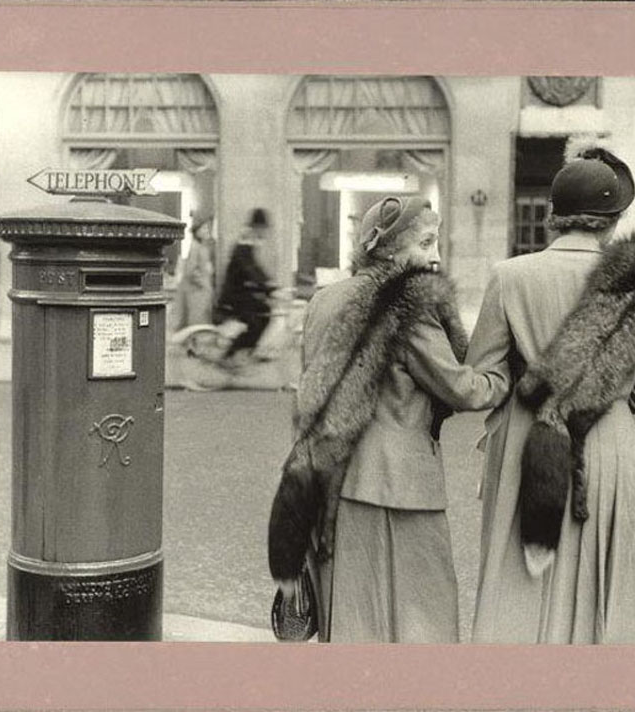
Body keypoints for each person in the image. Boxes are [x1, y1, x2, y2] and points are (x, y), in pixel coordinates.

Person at [268, 196, 510, 643]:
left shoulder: (323, 300)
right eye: (425, 242)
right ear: (391, 249)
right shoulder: (408, 303)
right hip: (401, 485)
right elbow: (463, 387)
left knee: (355, 614)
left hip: (333, 484)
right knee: (423, 615)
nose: (436, 255)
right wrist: (502, 373)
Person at [465, 147, 635, 644]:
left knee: (518, 585)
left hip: (526, 440)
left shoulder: (509, 276)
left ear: (553, 216)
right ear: (612, 222)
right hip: (605, 444)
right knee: (600, 590)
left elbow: (483, 374)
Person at [216, 208, 275, 361]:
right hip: (234, 295)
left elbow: (255, 267)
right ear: (256, 227)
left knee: (265, 312)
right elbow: (248, 268)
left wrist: (269, 283)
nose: (264, 232)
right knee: (255, 322)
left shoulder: (249, 241)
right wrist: (265, 285)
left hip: (242, 293)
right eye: (263, 228)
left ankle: (247, 349)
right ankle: (231, 352)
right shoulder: (244, 243)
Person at [173, 215, 215, 329]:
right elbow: (191, 271)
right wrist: (203, 283)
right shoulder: (195, 247)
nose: (207, 231)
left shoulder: (202, 247)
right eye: (204, 228)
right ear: (197, 231)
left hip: (201, 291)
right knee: (196, 323)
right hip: (196, 292)